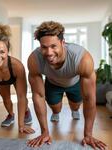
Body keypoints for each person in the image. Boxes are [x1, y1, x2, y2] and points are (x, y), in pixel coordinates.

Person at [27, 21, 107, 149]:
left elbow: (89, 98)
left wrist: (88, 135)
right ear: (40, 45)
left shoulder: (82, 59)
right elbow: (38, 96)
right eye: (44, 47)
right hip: (52, 83)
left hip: (74, 83)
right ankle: (56, 112)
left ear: (63, 43)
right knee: (56, 109)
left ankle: (74, 110)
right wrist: (44, 133)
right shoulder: (34, 60)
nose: (48, 52)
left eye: (53, 46)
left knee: (76, 105)